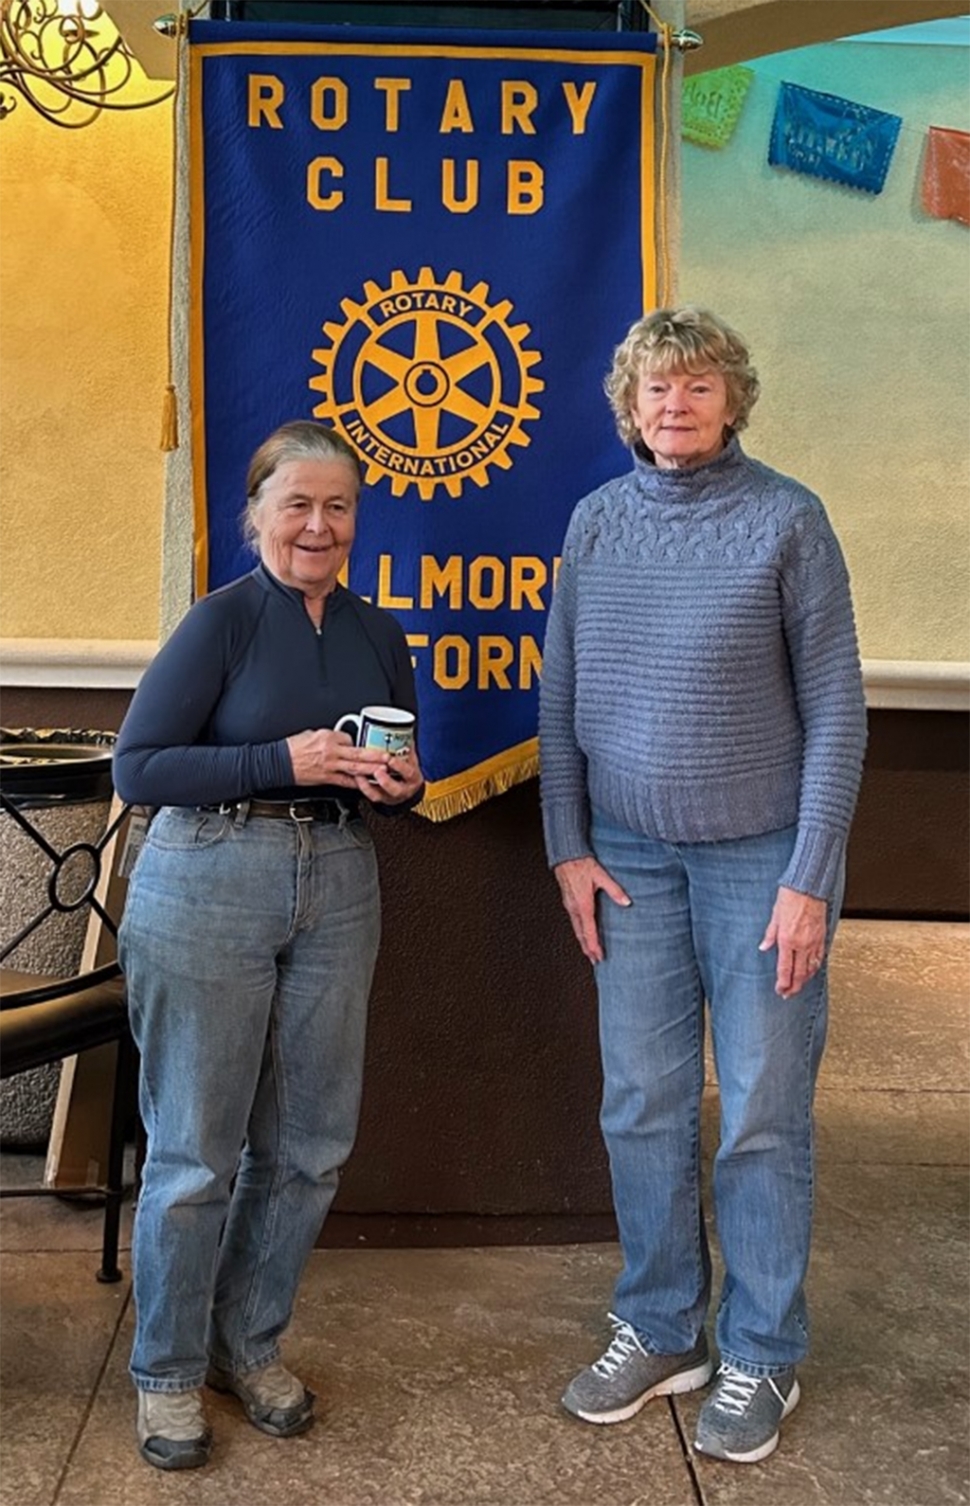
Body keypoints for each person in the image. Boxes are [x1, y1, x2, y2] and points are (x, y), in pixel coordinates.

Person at [539, 308, 867, 1465]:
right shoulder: (594, 523)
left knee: (764, 1115)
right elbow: (561, 698)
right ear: (627, 408)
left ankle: (763, 1347)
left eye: (694, 388)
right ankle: (660, 1324)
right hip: (626, 863)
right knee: (640, 1104)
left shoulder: (787, 520)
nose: (671, 407)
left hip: (758, 864)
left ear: (733, 401)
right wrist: (566, 847)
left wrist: (809, 877)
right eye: (652, 391)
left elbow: (836, 709)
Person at [113, 420, 424, 1471]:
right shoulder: (221, 622)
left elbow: (392, 770)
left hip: (338, 880)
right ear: (255, 516)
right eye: (297, 504)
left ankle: (244, 1345)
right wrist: (271, 759)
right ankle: (164, 1374)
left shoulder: (379, 633)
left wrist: (400, 786)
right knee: (197, 1152)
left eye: (337, 506)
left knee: (308, 1148)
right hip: (209, 877)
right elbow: (140, 768)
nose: (319, 525)